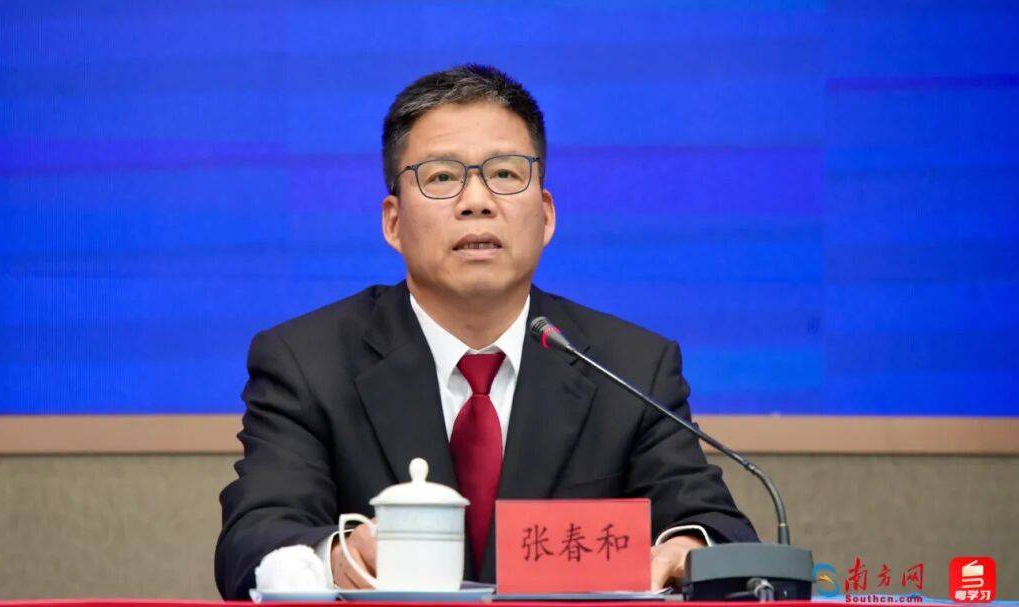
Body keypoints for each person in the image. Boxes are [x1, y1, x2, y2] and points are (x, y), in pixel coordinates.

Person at [214, 64, 757, 600]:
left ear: (546, 215)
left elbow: (715, 526)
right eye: (441, 177)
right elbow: (254, 538)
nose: (477, 201)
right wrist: (336, 561)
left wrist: (684, 551)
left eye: (505, 174)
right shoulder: (308, 363)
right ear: (393, 222)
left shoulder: (630, 367)